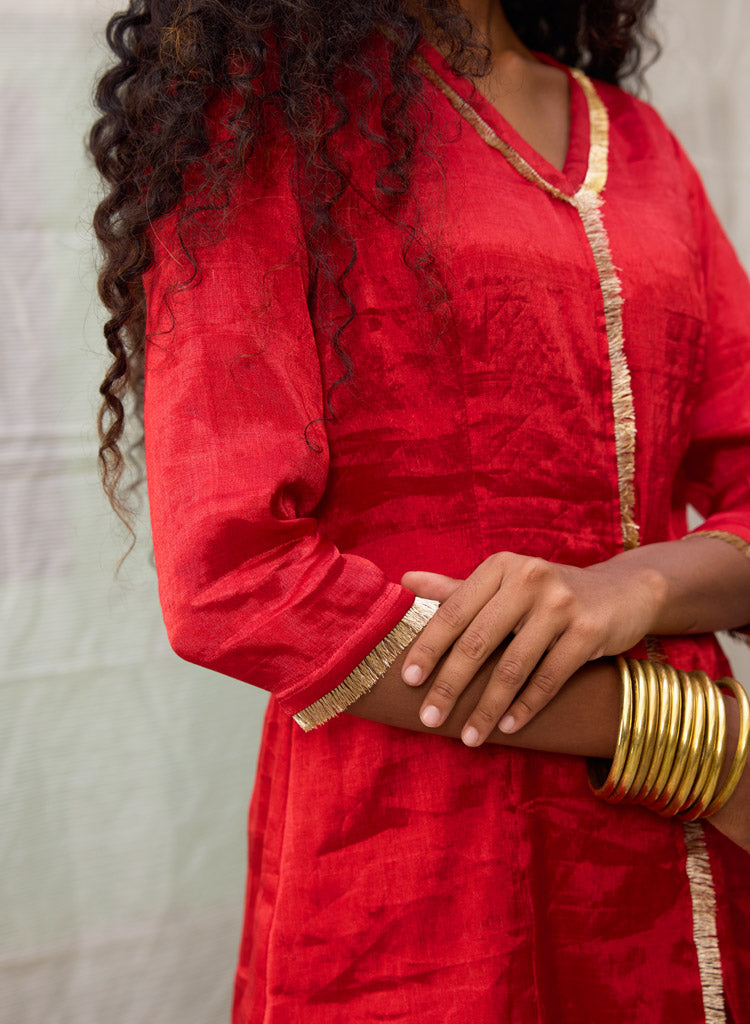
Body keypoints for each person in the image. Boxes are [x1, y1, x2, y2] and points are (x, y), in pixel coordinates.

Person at [89, 1, 750, 1020]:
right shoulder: (269, 118)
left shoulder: (638, 140)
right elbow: (233, 574)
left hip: (683, 860)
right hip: (427, 854)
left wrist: (635, 586)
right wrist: (689, 742)